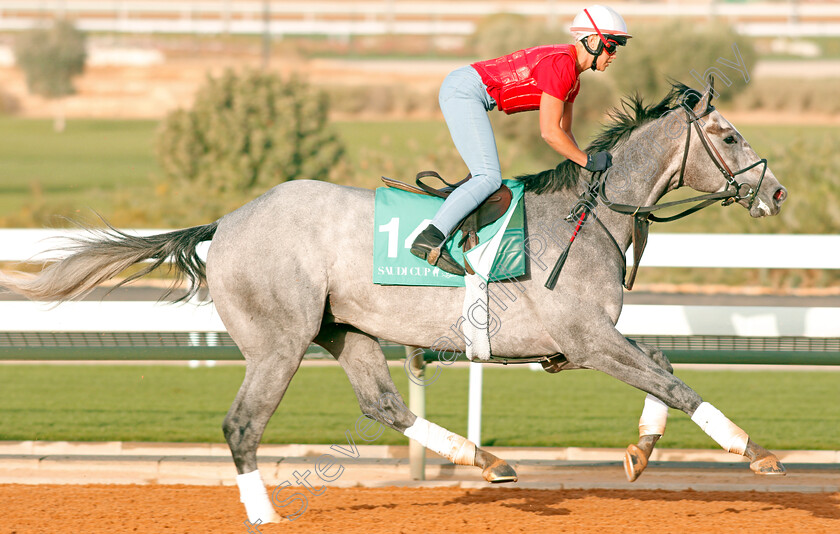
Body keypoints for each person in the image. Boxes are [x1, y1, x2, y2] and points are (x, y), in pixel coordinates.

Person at [410, 4, 631, 276]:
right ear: (594, 40)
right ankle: (430, 238)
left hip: (469, 91)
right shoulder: (561, 64)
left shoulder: (574, 78)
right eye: (612, 45)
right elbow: (550, 133)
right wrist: (587, 160)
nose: (614, 54)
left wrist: (585, 168)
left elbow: (565, 131)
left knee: (487, 176)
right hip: (465, 91)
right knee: (488, 177)